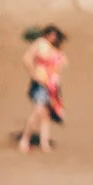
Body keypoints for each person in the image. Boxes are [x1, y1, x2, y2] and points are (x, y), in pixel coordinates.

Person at [16, 25, 66, 154]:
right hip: (40, 83)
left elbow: (62, 63)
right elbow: (26, 58)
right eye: (51, 34)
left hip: (51, 85)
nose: (53, 37)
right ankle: (25, 140)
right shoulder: (40, 43)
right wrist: (33, 73)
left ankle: (44, 143)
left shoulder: (55, 48)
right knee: (38, 111)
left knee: (45, 115)